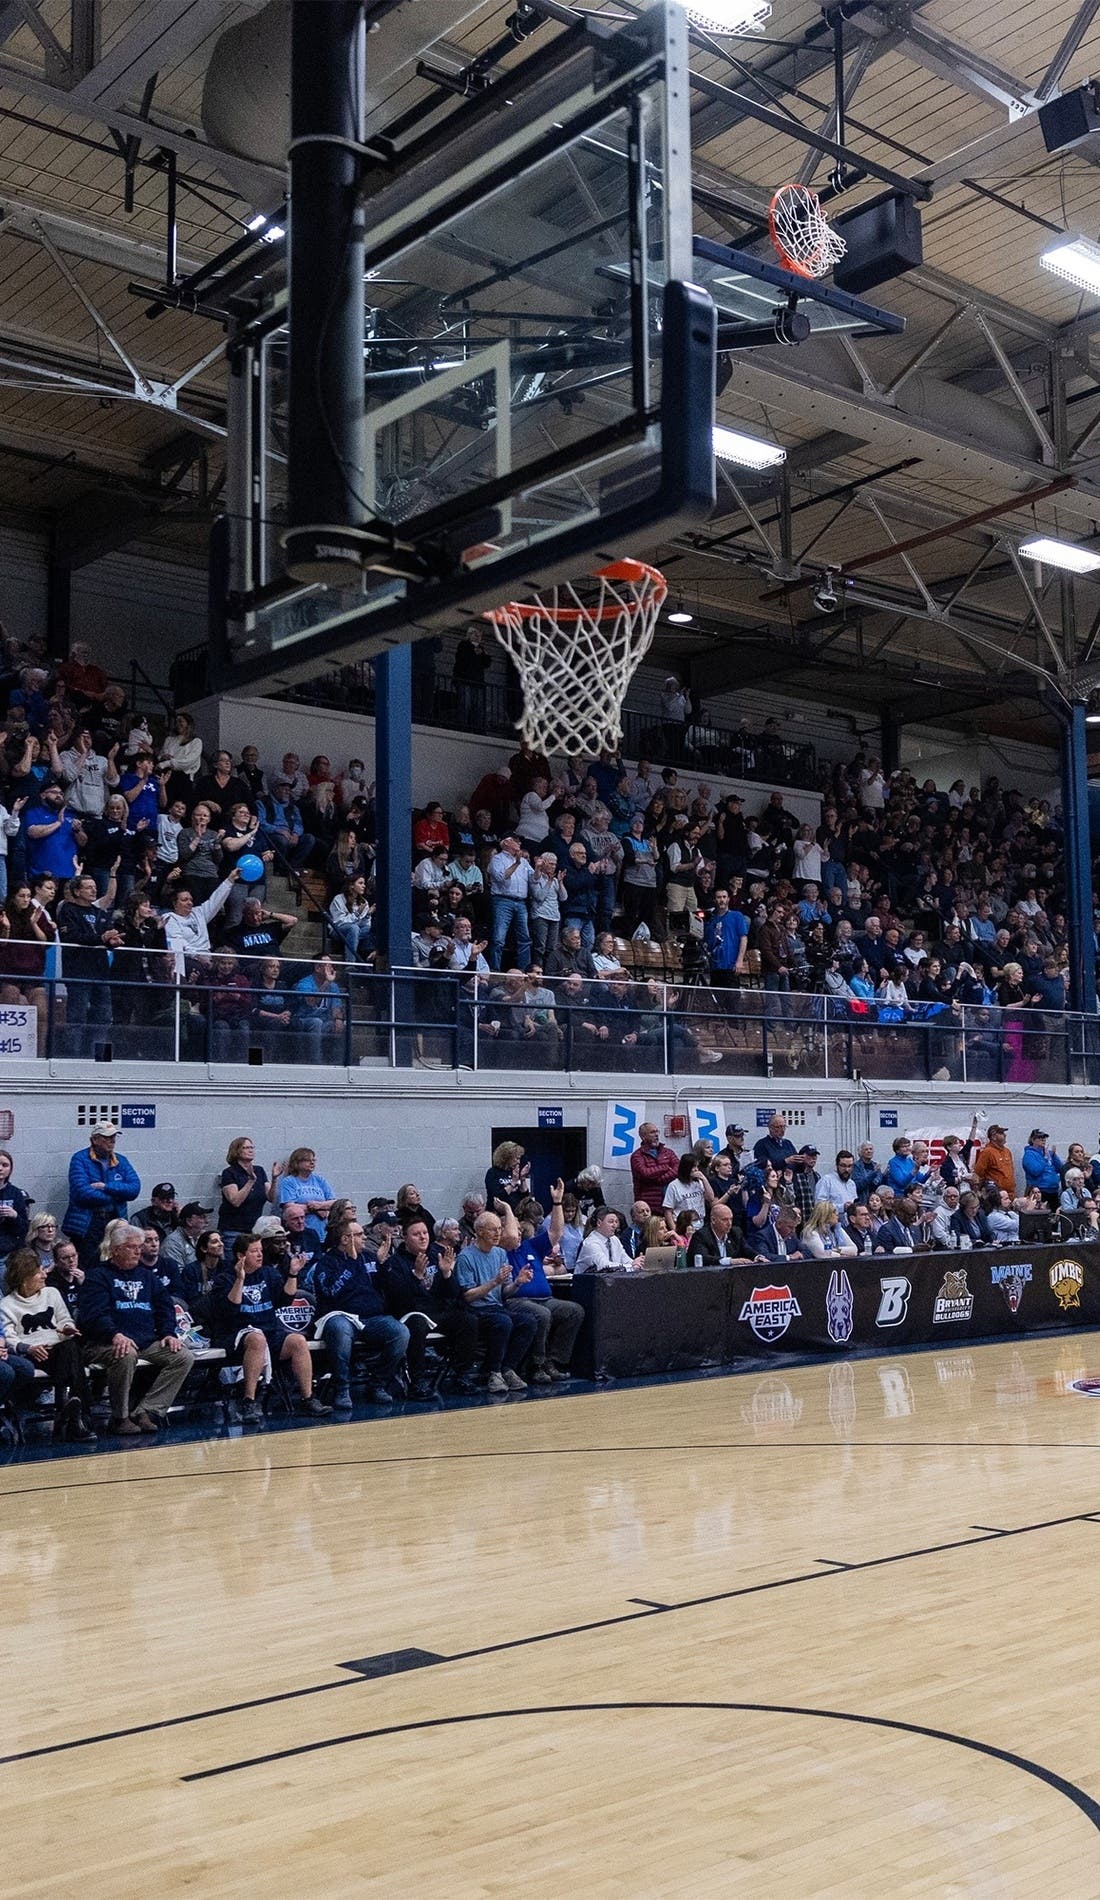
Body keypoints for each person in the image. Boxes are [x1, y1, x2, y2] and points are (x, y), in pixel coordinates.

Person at [80, 1222, 196, 1434]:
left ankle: (146, 1409)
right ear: (116, 1250)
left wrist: (168, 1333)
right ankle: (120, 1417)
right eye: (131, 1247)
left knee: (183, 1357)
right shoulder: (98, 1276)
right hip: (103, 1342)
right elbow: (94, 1315)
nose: (138, 1251)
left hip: (145, 1340)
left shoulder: (148, 1277)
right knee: (125, 1354)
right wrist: (114, 1335)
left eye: (139, 1246)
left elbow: (165, 1307)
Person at [211, 1232, 331, 1425]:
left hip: (269, 1332)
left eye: (260, 1250)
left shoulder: (268, 1273)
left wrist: (292, 1274)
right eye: (254, 1251)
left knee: (298, 1341)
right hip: (236, 1335)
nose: (259, 1254)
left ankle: (307, 1399)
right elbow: (229, 1310)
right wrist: (240, 1279)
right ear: (241, 1256)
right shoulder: (224, 1278)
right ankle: (249, 1401)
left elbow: (284, 1300)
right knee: (257, 1339)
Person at [312, 1217, 410, 1408]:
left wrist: (383, 1266)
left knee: (401, 1333)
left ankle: (378, 1383)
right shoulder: (326, 1262)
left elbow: (385, 1287)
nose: (364, 1237)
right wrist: (351, 1264)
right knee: (340, 1328)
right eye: (358, 1234)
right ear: (345, 1239)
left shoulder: (370, 1257)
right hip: (340, 1316)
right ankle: (342, 1388)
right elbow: (331, 1292)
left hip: (371, 1318)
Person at [0, 1247, 95, 1440]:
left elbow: (64, 1319)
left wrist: (68, 1328)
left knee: (70, 1347)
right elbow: (9, 1337)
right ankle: (76, 1417)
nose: (45, 1274)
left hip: (59, 1348)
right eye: (39, 1272)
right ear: (25, 1278)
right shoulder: (7, 1305)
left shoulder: (52, 1293)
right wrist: (28, 1348)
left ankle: (73, 1413)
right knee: (71, 1357)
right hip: (31, 1353)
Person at [383, 1217, 479, 1397]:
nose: (422, 1237)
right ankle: (417, 1381)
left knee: (468, 1321)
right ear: (405, 1237)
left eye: (425, 1233)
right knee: (417, 1325)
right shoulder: (395, 1263)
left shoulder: (438, 1255)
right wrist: (417, 1277)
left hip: (437, 1310)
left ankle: (462, 1375)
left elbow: (452, 1293)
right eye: (416, 1234)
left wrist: (447, 1273)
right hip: (411, 1312)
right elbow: (399, 1300)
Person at [502, 1183, 585, 1381]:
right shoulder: (501, 1251)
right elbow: (511, 1238)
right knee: (542, 1314)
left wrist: (557, 1202)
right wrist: (506, 1208)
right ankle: (535, 1365)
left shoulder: (531, 1246)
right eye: (514, 1230)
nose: (518, 1234)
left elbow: (557, 1232)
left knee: (574, 1311)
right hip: (517, 1300)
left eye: (520, 1230)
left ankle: (553, 1360)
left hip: (545, 1298)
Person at [454, 1211, 540, 1393]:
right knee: (503, 1322)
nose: (498, 1233)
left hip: (496, 1307)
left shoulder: (500, 1253)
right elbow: (468, 1296)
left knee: (529, 1321)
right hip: (475, 1310)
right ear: (479, 1231)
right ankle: (493, 1371)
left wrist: (518, 1282)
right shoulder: (466, 1257)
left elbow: (504, 1292)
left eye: (499, 1229)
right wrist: (494, 1281)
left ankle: (507, 1368)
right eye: (492, 1230)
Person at [63, 1120, 141, 1269]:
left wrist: (106, 1187)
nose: (112, 1140)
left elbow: (134, 1189)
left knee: (115, 1262)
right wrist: (118, 1196)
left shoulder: (121, 1161)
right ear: (94, 1139)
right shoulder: (79, 1159)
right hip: (88, 1224)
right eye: (107, 1137)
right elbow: (83, 1193)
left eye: (114, 1137)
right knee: (89, 1264)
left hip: (114, 1220)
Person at [218, 1137, 282, 1235]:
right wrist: (251, 1181)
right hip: (233, 1229)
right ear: (237, 1151)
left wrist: (274, 1179)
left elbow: (271, 1198)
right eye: (246, 1148)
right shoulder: (229, 1172)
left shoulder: (259, 1170)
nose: (251, 1150)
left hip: (255, 1229)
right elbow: (235, 1201)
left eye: (252, 1147)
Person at [487, 834, 533, 970]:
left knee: (524, 939)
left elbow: (533, 879)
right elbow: (502, 877)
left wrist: (540, 869)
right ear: (506, 842)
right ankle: (495, 970)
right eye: (515, 840)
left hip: (521, 902)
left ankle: (525, 971)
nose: (519, 843)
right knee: (498, 939)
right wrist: (516, 863)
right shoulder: (497, 859)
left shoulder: (524, 862)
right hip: (502, 901)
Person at [277, 1147, 336, 1239]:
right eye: (307, 1160)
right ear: (297, 1163)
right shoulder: (289, 1182)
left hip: (322, 1231)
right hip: (302, 1232)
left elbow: (334, 1203)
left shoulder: (319, 1180)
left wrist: (319, 1205)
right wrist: (318, 1209)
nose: (312, 1163)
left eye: (313, 1160)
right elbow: (290, 1207)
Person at [630, 1121, 679, 1214]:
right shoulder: (637, 1156)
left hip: (671, 1203)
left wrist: (660, 1179)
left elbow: (678, 1168)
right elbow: (646, 1173)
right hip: (650, 1206)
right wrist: (665, 1167)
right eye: (652, 1132)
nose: (656, 1135)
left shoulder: (668, 1152)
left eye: (657, 1132)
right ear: (643, 1137)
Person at [575, 1206, 638, 1273]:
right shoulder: (590, 1243)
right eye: (611, 1222)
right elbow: (605, 1266)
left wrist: (637, 1263)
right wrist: (631, 1266)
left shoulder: (614, 1239)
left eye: (616, 1222)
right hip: (587, 1282)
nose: (614, 1225)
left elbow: (625, 1259)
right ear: (599, 1223)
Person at [686, 1200, 742, 1267]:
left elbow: (746, 1249)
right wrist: (729, 1261)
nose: (729, 1223)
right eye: (725, 1220)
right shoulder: (701, 1235)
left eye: (731, 1219)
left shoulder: (735, 1232)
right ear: (713, 1220)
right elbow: (703, 1258)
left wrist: (757, 1257)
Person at [662, 1151, 713, 1223]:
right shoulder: (673, 1186)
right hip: (683, 1224)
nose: (696, 1169)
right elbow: (668, 1211)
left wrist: (704, 1179)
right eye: (693, 1167)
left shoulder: (699, 1182)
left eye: (697, 1166)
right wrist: (675, 1229)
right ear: (686, 1168)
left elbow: (710, 1198)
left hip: (700, 1222)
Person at [0, 1148, 31, 1258]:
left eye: (5, 1165)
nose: (0, 1168)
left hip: (8, 1252)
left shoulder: (16, 1193)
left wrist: (14, 1215)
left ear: (10, 1169)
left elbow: (24, 1228)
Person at [973, 1123, 1016, 1199]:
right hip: (996, 1195)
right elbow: (978, 1173)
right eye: (1001, 1133)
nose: (1005, 1135)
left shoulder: (1007, 1151)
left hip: (1010, 1194)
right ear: (993, 1137)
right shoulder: (987, 1152)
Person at [817, 1151, 857, 1218]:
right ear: (837, 1165)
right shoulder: (826, 1181)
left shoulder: (852, 1184)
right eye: (843, 1166)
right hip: (830, 1225)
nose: (847, 1169)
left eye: (850, 1166)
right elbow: (819, 1205)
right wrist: (842, 1207)